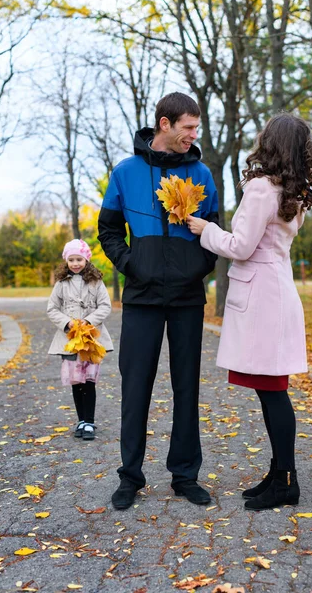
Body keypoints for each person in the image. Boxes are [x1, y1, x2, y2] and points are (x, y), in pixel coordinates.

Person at [187, 113, 312, 511]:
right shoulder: (292, 190)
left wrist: (206, 231)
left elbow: (241, 246)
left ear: (271, 142)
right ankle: (278, 472)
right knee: (272, 390)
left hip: (262, 297)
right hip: (276, 291)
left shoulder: (262, 187)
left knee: (273, 393)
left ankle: (286, 480)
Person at [98, 92, 219, 510]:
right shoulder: (126, 172)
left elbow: (214, 231)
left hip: (187, 297)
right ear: (164, 125)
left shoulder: (201, 173)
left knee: (187, 388)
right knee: (135, 388)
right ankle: (130, 476)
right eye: (187, 127)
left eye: (196, 128)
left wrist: (197, 267)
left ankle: (185, 476)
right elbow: (108, 229)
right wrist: (133, 265)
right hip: (142, 297)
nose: (193, 135)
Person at [47, 239, 113, 441]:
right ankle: (81, 420)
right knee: (77, 381)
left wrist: (88, 321)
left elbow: (105, 306)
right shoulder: (61, 284)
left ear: (86, 260)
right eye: (72, 260)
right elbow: (52, 308)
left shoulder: (96, 282)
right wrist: (68, 323)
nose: (75, 264)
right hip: (70, 339)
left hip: (90, 339)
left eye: (79, 259)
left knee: (89, 381)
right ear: (66, 261)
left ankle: (90, 421)